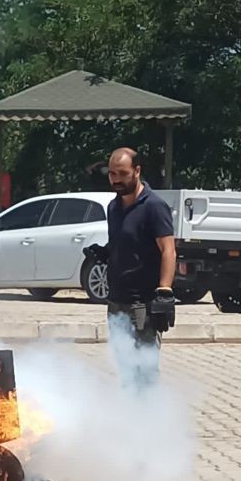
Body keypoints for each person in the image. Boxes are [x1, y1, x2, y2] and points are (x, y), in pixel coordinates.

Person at [84, 147, 176, 388]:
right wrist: (106, 252)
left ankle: (150, 410)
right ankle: (130, 409)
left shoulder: (154, 206)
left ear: (137, 171)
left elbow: (168, 250)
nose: (116, 179)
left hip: (142, 304)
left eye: (122, 174)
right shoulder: (113, 207)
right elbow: (125, 242)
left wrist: (164, 291)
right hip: (116, 302)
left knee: (144, 369)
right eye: (112, 174)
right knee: (124, 366)